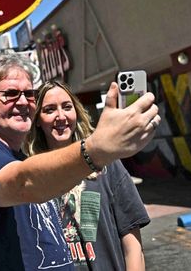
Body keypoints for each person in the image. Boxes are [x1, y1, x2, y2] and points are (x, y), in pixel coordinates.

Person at [0, 54, 159, 270]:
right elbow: (24, 183)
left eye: (29, 94)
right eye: (10, 94)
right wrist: (95, 149)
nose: (22, 101)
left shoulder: (20, 158)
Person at [27, 79, 149, 270]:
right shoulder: (30, 175)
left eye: (67, 107)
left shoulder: (106, 163)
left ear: (76, 112)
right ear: (37, 121)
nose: (61, 116)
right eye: (49, 110)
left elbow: (133, 246)